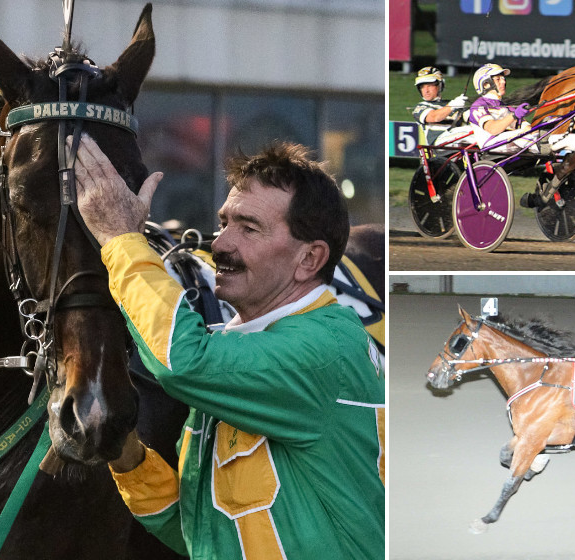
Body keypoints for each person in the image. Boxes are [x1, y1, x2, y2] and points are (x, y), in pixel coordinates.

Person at [71, 134, 386, 559]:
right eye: (224, 223)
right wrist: (127, 457)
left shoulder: (325, 346)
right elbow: (199, 531)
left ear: (309, 259)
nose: (219, 245)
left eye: (249, 228)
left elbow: (183, 360)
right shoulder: (238, 349)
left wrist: (120, 239)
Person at [467, 63, 534, 148]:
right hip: (492, 144)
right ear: (486, 84)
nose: (503, 82)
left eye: (503, 78)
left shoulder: (506, 106)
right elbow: (493, 129)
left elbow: (527, 128)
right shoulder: (478, 106)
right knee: (520, 135)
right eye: (498, 79)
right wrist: (514, 115)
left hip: (510, 142)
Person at [411, 66, 467, 145]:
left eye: (429, 86)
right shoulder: (420, 107)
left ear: (440, 85)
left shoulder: (453, 104)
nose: (426, 90)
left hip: (459, 142)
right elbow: (435, 117)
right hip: (438, 144)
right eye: (422, 87)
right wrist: (453, 105)